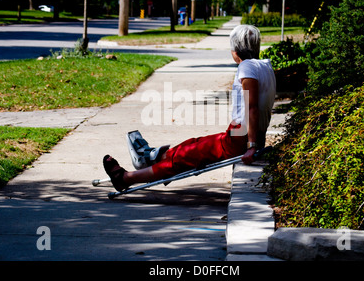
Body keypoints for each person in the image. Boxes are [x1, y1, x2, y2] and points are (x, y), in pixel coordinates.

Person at [103, 24, 276, 192]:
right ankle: (152, 158)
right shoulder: (265, 66)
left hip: (240, 137)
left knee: (185, 157)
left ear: (235, 50)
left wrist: (251, 146)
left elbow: (252, 107)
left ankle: (125, 178)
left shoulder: (246, 67)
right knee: (192, 144)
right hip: (241, 135)